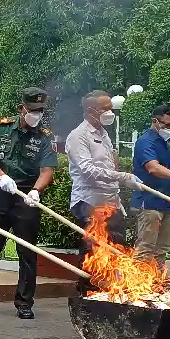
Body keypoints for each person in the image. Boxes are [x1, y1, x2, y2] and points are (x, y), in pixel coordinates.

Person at [0, 88, 57, 319]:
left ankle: (24, 302)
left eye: (40, 111)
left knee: (27, 252)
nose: (36, 115)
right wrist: (1, 176)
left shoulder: (44, 137)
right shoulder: (2, 129)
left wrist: (37, 191)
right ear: (22, 108)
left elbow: (47, 170)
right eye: (33, 110)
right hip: (2, 194)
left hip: (27, 197)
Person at [66, 91, 140, 264]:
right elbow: (87, 170)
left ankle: (113, 289)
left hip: (111, 202)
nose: (110, 113)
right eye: (105, 109)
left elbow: (110, 167)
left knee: (116, 248)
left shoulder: (104, 134)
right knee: (94, 253)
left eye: (110, 108)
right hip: (89, 202)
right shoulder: (78, 136)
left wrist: (119, 180)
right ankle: (89, 290)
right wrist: (122, 176)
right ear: (91, 111)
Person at [130, 104, 170, 266]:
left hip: (167, 203)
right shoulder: (145, 142)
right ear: (155, 121)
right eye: (167, 125)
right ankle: (138, 287)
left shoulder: (164, 143)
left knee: (162, 249)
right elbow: (153, 167)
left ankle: (156, 284)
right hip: (150, 203)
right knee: (146, 249)